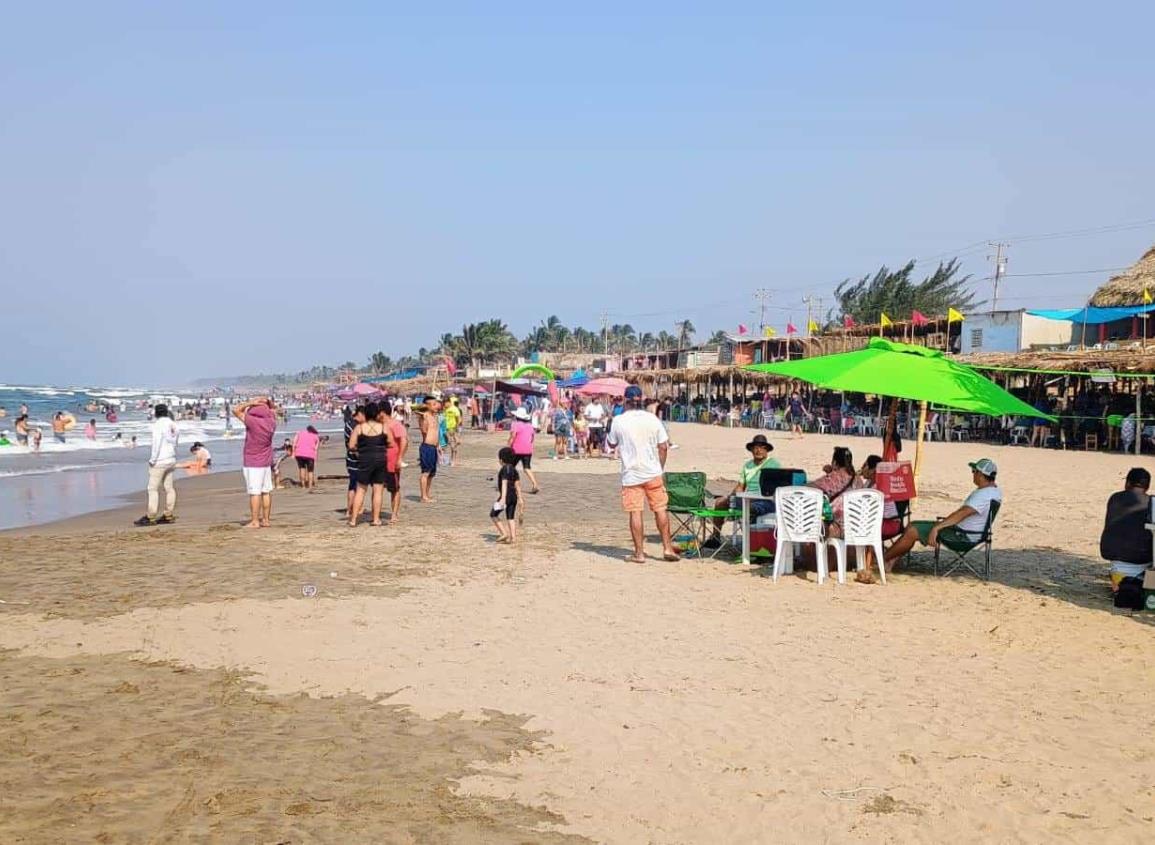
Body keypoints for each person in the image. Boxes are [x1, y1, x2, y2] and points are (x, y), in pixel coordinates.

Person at [606, 385, 679, 563]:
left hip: (631, 474)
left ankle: (639, 553)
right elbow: (663, 446)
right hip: (652, 471)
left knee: (635, 512)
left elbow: (611, 444)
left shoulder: (619, 421)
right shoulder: (652, 419)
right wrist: (660, 467)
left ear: (625, 400)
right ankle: (667, 548)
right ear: (641, 400)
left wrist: (611, 423)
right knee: (660, 509)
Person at [883, 458, 1003, 567]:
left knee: (913, 530)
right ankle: (891, 560)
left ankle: (883, 560)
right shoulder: (994, 491)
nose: (972, 474)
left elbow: (962, 513)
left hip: (962, 536)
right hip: (970, 533)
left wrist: (937, 528)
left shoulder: (983, 495)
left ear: (981, 475)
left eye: (974, 471)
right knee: (911, 525)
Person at [703, 433, 781, 549]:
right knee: (719, 502)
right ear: (751, 450)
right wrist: (731, 496)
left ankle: (752, 543)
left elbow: (775, 487)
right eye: (755, 447)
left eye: (761, 447)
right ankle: (716, 536)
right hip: (747, 496)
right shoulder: (748, 465)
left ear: (766, 450)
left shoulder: (773, 464)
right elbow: (740, 486)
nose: (758, 450)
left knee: (747, 506)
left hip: (764, 498)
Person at [1099, 467, 1153, 592]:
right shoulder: (1151, 502)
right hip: (1142, 558)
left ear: (1127, 483)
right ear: (1147, 486)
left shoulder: (1114, 498)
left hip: (1113, 555)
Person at [234, 398, 278, 528]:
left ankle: (254, 521)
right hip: (266, 461)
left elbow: (235, 410)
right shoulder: (272, 422)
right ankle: (265, 520)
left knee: (255, 492)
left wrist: (250, 402)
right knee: (266, 491)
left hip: (253, 461)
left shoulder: (252, 421)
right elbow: (273, 410)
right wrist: (267, 402)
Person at [348, 401, 393, 526]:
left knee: (361, 490)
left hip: (364, 459)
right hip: (380, 459)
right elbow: (391, 443)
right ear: (377, 414)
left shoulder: (359, 427)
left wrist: (360, 449)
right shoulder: (384, 427)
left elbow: (351, 445)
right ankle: (376, 519)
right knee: (378, 490)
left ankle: (353, 520)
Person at [135, 403, 179, 526]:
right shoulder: (173, 424)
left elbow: (156, 443)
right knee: (169, 488)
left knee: (152, 488)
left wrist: (153, 459)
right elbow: (175, 442)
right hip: (171, 458)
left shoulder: (158, 425)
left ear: (156, 413)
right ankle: (168, 514)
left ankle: (151, 515)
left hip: (160, 460)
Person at [382, 401, 408, 523]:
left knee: (394, 488)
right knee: (378, 488)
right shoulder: (378, 425)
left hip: (392, 461)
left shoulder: (395, 424)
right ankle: (376, 514)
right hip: (380, 461)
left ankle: (394, 514)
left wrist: (400, 458)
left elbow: (404, 440)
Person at [491, 447, 523, 544]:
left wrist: (503, 498)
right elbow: (517, 485)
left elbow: (504, 483)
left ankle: (504, 533)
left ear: (501, 460)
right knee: (510, 517)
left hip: (506, 496)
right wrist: (520, 498)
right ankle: (513, 538)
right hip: (514, 497)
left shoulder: (504, 469)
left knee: (493, 514)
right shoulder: (514, 470)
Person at [508, 407, 541, 493]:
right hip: (528, 449)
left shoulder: (515, 424)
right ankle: (535, 484)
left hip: (516, 449)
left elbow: (513, 436)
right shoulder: (530, 426)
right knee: (527, 468)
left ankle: (511, 484)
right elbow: (532, 438)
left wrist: (508, 445)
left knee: (510, 466)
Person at [418, 395, 442, 503]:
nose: (436, 406)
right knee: (426, 472)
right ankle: (423, 496)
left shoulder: (435, 417)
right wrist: (422, 415)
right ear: (427, 405)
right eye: (433, 404)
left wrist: (438, 446)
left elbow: (436, 433)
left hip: (433, 447)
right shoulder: (425, 416)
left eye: (436, 403)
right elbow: (424, 431)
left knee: (431, 474)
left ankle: (427, 494)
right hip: (427, 447)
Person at [344, 406, 365, 521]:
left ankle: (349, 510)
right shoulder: (356, 426)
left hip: (350, 458)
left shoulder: (348, 424)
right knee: (359, 486)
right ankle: (358, 508)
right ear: (360, 414)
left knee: (352, 485)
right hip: (356, 458)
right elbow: (354, 444)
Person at [292, 424, 321, 490]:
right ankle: (310, 485)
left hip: (299, 453)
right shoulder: (316, 436)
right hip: (310, 455)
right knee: (310, 471)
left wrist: (293, 453)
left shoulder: (299, 433)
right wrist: (315, 457)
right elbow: (316, 448)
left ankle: (303, 486)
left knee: (302, 469)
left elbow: (294, 442)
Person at [444, 396, 463, 466]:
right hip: (447, 429)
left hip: (453, 429)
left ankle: (453, 460)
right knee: (450, 445)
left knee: (453, 445)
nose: (444, 405)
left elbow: (459, 419)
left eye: (445, 403)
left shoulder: (455, 409)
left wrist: (456, 428)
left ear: (448, 402)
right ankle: (451, 459)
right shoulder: (445, 409)